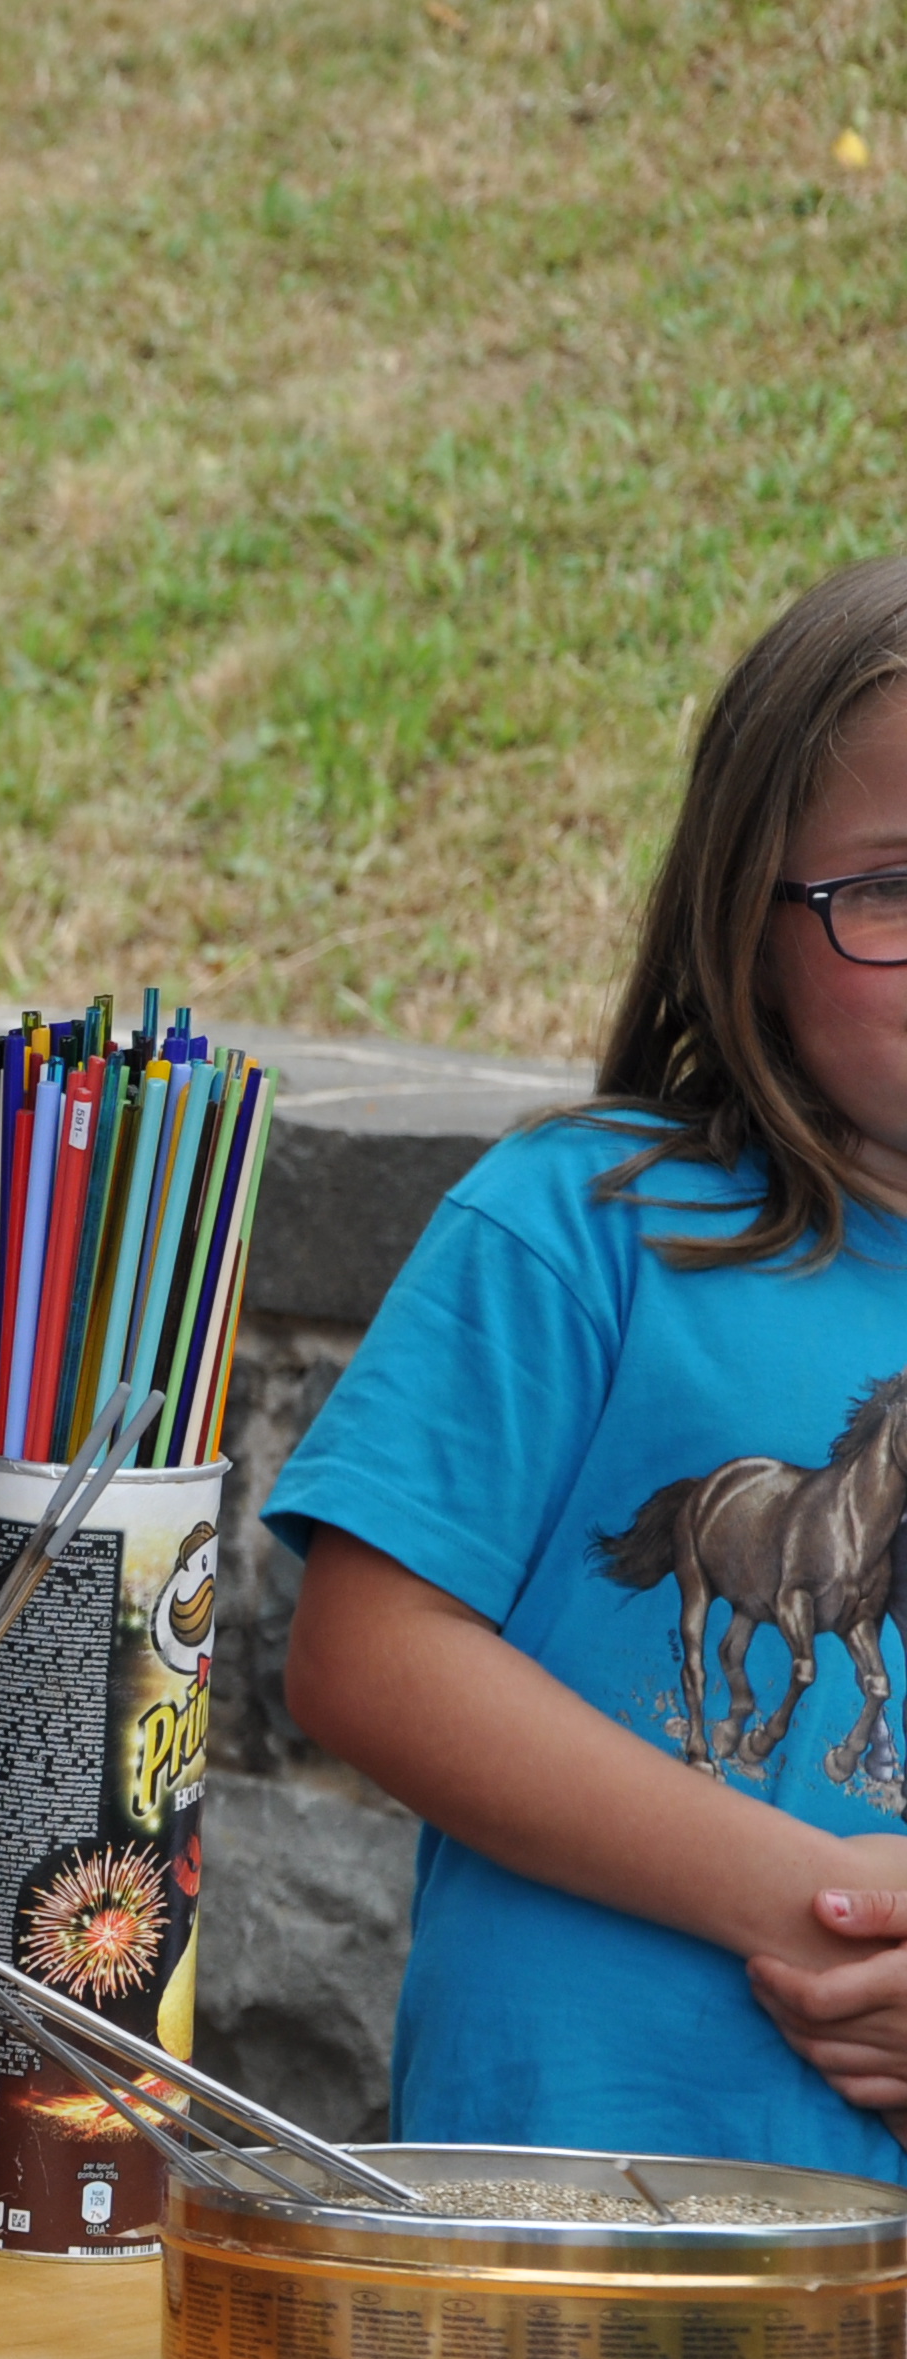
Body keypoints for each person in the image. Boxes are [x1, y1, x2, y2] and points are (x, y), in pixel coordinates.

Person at [275, 556, 907, 2191]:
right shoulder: (581, 1226)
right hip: (556, 2240)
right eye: (891, 889)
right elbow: (367, 1658)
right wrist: (818, 1902)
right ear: (747, 906)